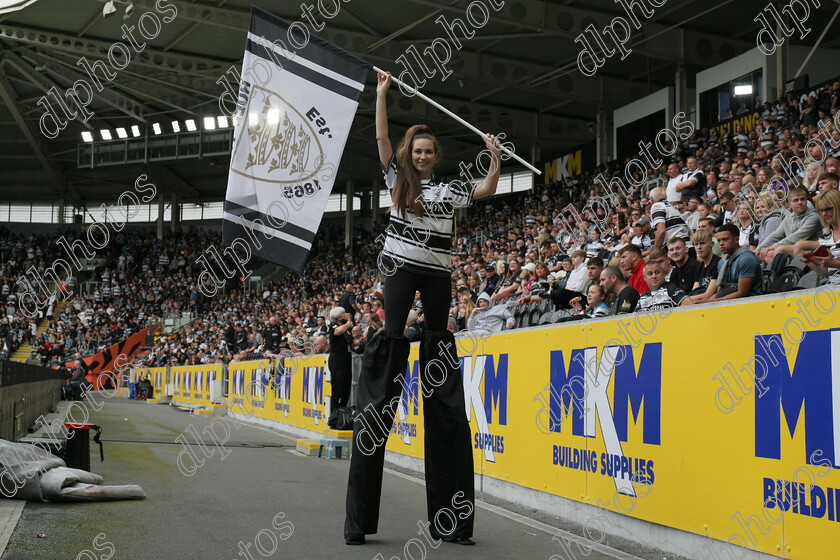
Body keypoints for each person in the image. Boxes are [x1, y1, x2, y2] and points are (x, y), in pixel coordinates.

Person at [345, 71, 502, 547]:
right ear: (409, 155)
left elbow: (487, 191)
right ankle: (359, 520)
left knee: (438, 348)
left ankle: (451, 521)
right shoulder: (396, 180)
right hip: (400, 273)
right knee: (392, 343)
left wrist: (494, 158)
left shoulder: (448, 190)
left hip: (436, 277)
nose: (422, 156)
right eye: (417, 151)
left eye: (428, 152)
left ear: (437, 157)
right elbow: (380, 136)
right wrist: (381, 95)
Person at [694, 224, 763, 302]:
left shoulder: (746, 259)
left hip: (749, 303)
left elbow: (743, 293)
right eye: (719, 240)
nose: (721, 243)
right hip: (727, 303)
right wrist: (706, 302)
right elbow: (720, 292)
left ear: (736, 240)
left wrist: (711, 302)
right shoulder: (722, 262)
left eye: (725, 239)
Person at [328, 307, 353, 410]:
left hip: (346, 357)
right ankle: (334, 412)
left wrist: (361, 340)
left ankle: (342, 410)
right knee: (337, 386)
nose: (345, 314)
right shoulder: (334, 326)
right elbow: (337, 332)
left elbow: (351, 342)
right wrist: (348, 324)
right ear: (338, 317)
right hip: (337, 359)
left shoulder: (345, 329)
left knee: (346, 386)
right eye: (343, 313)